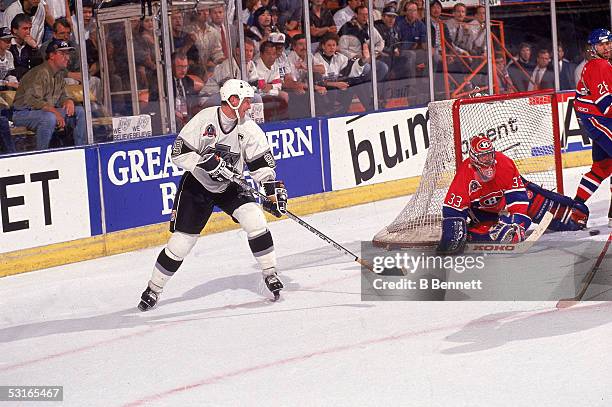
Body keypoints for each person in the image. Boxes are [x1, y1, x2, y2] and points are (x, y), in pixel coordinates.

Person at [137, 79, 287, 311]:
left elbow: (261, 166)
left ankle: (270, 273)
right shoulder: (205, 120)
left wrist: (271, 192)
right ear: (233, 101)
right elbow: (178, 153)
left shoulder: (248, 129)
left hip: (230, 185)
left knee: (255, 220)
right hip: (197, 185)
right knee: (181, 243)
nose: (250, 106)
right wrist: (204, 162)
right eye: (246, 101)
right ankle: (153, 288)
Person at [437, 135, 588, 253]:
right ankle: (476, 234)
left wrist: (518, 224)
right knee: (494, 234)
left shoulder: (505, 163)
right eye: (483, 157)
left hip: (503, 202)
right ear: (474, 158)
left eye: (490, 155)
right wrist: (453, 233)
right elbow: (453, 209)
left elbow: (519, 199)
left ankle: (502, 228)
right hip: (481, 210)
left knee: (573, 215)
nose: (488, 160)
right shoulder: (465, 173)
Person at [12, 38, 86, 150]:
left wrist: (68, 100)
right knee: (49, 118)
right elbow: (32, 101)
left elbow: (62, 96)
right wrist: (54, 111)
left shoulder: (59, 73)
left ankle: (81, 150)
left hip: (44, 112)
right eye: (62, 53)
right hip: (23, 113)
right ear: (52, 56)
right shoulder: (40, 72)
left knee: (79, 111)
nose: (67, 57)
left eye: (67, 54)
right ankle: (42, 154)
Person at [573, 28, 612, 227]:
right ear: (593, 48)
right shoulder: (599, 65)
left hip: (595, 119)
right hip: (598, 119)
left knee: (602, 168)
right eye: (601, 44)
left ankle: (575, 208)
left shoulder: (602, 64)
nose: (606, 47)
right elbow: (606, 105)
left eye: (608, 43)